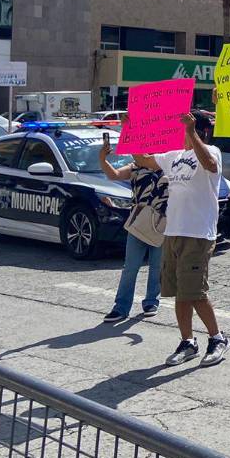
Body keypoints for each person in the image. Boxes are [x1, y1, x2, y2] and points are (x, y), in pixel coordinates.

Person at [134, 112, 227, 367]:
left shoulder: (211, 150)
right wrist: (131, 132)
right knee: (178, 293)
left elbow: (210, 164)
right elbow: (143, 160)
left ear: (200, 130)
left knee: (195, 291)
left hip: (198, 234)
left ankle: (217, 338)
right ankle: (188, 342)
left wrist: (192, 132)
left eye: (186, 127)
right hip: (174, 232)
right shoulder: (172, 155)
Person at [100, 137, 168, 323]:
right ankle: (121, 307)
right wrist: (103, 160)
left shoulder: (167, 164)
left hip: (162, 222)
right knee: (130, 267)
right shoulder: (136, 166)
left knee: (156, 266)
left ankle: (151, 302)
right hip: (139, 222)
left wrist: (130, 135)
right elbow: (113, 175)